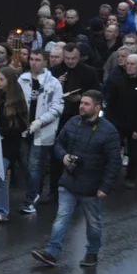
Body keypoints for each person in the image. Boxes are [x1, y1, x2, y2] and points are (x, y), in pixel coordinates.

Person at [31, 91, 121, 269]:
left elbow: (114, 162)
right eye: (81, 103)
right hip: (69, 182)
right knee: (61, 218)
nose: (82, 106)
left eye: (87, 104)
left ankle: (92, 253)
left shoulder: (109, 131)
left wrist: (105, 187)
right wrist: (63, 156)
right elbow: (58, 143)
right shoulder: (73, 122)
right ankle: (52, 252)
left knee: (93, 223)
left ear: (97, 107)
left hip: (92, 187)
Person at [49, 42, 100, 194]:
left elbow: (97, 94)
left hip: (80, 117)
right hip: (59, 117)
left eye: (74, 58)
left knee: (79, 155)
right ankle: (54, 189)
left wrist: (80, 98)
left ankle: (78, 189)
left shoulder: (89, 72)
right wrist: (56, 85)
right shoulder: (55, 71)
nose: (70, 61)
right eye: (67, 58)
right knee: (57, 154)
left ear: (80, 57)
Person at [17, 50, 64, 213]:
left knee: (35, 165)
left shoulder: (53, 84)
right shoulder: (22, 80)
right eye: (31, 59)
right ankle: (35, 189)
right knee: (27, 165)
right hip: (23, 130)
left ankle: (30, 198)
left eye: (38, 59)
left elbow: (57, 107)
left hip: (42, 131)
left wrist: (39, 122)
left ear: (45, 62)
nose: (33, 62)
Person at [0, 66, 27, 223]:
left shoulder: (17, 101)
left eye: (2, 79)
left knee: (1, 175)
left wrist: (3, 131)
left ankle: (2, 210)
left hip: (9, 144)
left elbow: (22, 126)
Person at [102, 52, 137, 188]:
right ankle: (110, 176)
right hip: (117, 122)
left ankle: (131, 177)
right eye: (128, 64)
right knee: (113, 151)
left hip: (136, 124)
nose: (130, 66)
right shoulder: (118, 81)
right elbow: (111, 102)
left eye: (133, 64)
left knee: (135, 153)